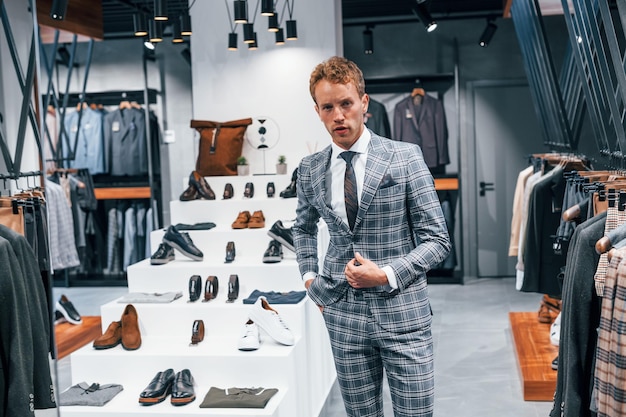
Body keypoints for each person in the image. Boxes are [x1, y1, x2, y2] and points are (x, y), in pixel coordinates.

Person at [292, 56, 451, 417]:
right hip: (342, 315)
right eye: (328, 107)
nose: (338, 116)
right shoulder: (311, 169)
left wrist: (387, 273)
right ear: (317, 111)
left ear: (364, 104)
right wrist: (310, 279)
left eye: (346, 104)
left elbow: (437, 240)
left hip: (403, 313)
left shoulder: (405, 157)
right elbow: (301, 228)